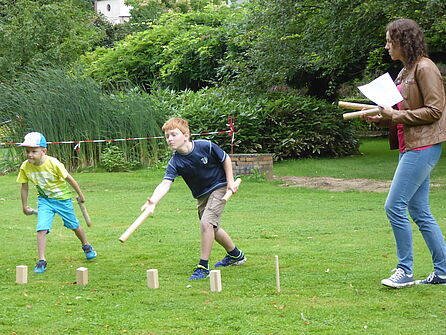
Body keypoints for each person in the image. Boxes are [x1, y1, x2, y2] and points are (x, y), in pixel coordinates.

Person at [364, 18, 446, 288]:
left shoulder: (425, 68)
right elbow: (400, 110)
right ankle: (443, 271)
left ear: (404, 41)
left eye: (390, 40)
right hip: (408, 144)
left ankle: (405, 270)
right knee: (419, 209)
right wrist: (383, 118)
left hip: (423, 145)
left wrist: (395, 114)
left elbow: (435, 110)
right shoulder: (406, 70)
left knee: (394, 205)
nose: (387, 46)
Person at [142, 117, 246, 280]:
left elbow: (225, 158)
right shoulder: (175, 162)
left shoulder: (205, 146)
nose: (169, 139)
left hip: (219, 187)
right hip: (202, 196)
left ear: (186, 135)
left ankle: (203, 267)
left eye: (173, 134)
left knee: (207, 224)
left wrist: (230, 182)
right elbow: (165, 184)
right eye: (167, 136)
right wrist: (153, 200)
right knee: (212, 228)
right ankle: (236, 255)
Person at [17, 132, 97, 273]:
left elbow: (69, 178)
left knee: (74, 226)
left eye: (34, 151)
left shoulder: (53, 163)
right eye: (27, 151)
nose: (29, 154)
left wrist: (80, 195)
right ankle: (42, 260)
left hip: (62, 200)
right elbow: (24, 185)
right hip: (45, 201)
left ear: (43, 151)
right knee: (41, 228)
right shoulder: (25, 167)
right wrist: (24, 206)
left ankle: (86, 245)